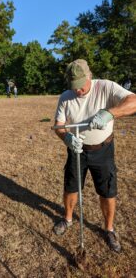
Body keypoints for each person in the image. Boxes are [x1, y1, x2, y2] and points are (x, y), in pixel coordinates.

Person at [53, 59, 136, 253]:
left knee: (107, 191)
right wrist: (66, 138)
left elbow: (133, 102)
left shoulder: (106, 87)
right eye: (74, 87)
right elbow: (59, 125)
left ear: (89, 76)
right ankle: (68, 219)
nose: (78, 91)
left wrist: (109, 113)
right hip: (77, 149)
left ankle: (109, 229)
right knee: (71, 186)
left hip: (103, 150)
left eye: (81, 85)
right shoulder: (65, 97)